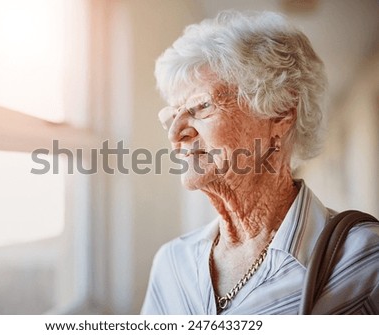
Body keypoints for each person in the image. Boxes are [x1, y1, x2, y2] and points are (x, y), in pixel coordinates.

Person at [141, 10, 378, 315]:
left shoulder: (365, 263)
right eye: (173, 115)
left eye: (201, 106)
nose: (176, 134)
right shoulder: (171, 264)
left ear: (280, 114)